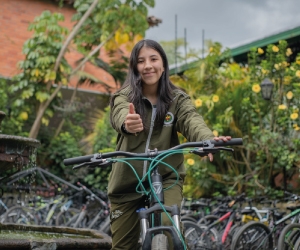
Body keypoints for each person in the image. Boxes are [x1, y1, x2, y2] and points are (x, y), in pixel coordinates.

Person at [108, 39, 231, 249]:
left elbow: (192, 120)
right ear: (134, 67)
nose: (147, 65)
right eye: (141, 61)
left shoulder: (177, 99)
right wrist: (127, 123)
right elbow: (120, 114)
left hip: (167, 177)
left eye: (153, 59)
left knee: (169, 225)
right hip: (127, 181)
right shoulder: (124, 97)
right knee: (122, 246)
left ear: (163, 64)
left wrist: (207, 139)